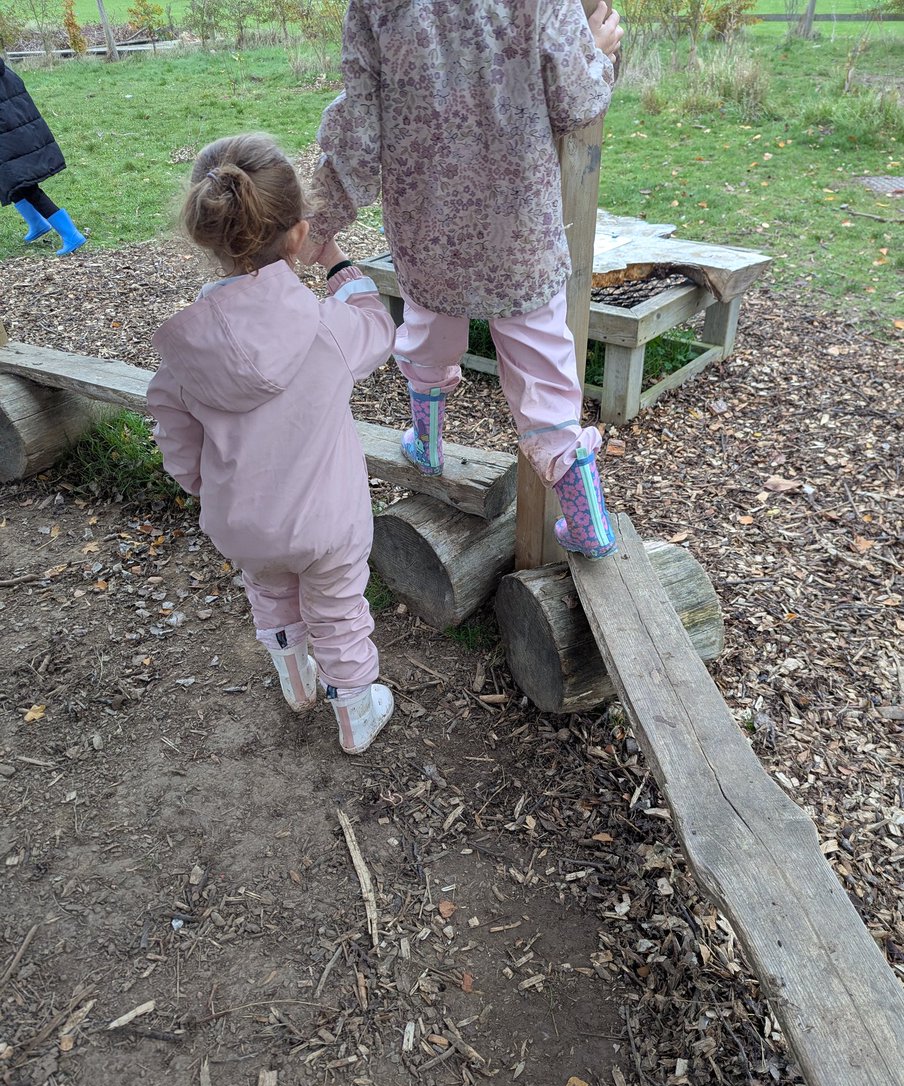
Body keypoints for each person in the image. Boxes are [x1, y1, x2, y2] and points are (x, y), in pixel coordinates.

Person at [303, 1, 624, 559]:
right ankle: (588, 520)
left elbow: (359, 130)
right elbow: (575, 100)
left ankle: (427, 445)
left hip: (430, 224)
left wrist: (317, 223)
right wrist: (594, 55)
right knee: (543, 367)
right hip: (519, 228)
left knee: (428, 331)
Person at [146, 133, 397, 754]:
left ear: (205, 236)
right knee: (338, 611)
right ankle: (355, 714)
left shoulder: (185, 354)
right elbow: (378, 327)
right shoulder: (328, 329)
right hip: (327, 523)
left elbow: (177, 443)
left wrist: (212, 490)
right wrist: (337, 262)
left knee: (272, 594)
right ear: (298, 233)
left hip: (242, 522)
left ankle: (296, 682)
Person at [0, 56, 86, 255]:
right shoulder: (6, 72)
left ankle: (71, 234)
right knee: (10, 183)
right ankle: (37, 223)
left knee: (26, 186)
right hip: (17, 134)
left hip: (9, 139)